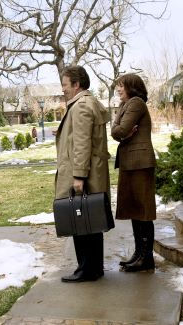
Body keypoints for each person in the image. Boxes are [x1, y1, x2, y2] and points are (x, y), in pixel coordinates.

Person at [55, 66, 111, 283]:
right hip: (90, 172)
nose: (63, 89)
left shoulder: (81, 106)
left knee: (80, 220)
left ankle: (86, 269)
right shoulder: (89, 103)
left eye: (65, 85)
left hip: (82, 175)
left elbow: (82, 144)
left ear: (76, 84)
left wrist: (78, 176)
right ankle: (94, 267)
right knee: (91, 220)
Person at [111, 74, 157, 273]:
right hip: (130, 163)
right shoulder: (125, 104)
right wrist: (119, 130)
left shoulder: (136, 103)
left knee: (143, 211)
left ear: (132, 87)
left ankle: (146, 258)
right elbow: (116, 130)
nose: (118, 90)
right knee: (134, 210)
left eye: (121, 86)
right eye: (118, 87)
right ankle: (138, 254)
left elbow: (119, 131)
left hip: (140, 163)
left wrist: (121, 131)